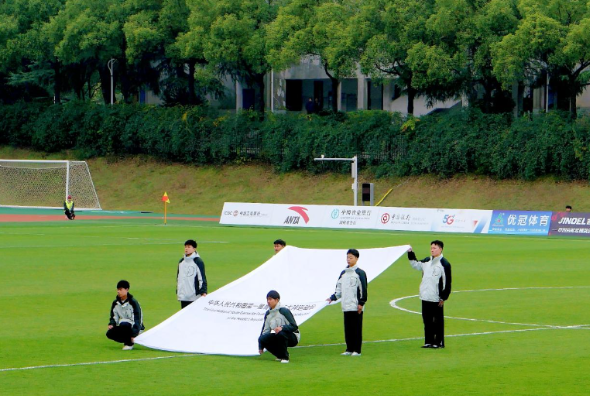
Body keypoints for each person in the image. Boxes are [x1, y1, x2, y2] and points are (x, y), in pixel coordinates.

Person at [407, 240, 452, 349]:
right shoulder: (427, 261)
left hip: (436, 298)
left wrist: (443, 297)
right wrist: (410, 253)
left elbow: (447, 282)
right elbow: (416, 265)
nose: (432, 249)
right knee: (427, 320)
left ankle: (438, 342)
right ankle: (429, 341)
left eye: (434, 248)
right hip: (425, 296)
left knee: (437, 321)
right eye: (431, 248)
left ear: (440, 249)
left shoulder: (444, 264)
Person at [327, 248, 367, 356]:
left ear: (356, 258)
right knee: (348, 328)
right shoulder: (343, 273)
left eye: (351, 257)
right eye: (347, 257)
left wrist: (361, 303)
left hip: (356, 305)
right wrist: (332, 298)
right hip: (346, 305)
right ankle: (349, 348)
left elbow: (363, 289)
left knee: (356, 329)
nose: (348, 260)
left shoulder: (360, 273)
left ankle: (357, 350)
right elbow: (338, 289)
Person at [258, 290, 300, 363]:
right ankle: (280, 355)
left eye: (270, 299)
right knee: (262, 338)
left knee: (281, 333)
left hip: (292, 337)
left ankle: (285, 357)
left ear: (277, 300)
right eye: (267, 299)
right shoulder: (268, 314)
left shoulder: (284, 311)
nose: (268, 301)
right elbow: (265, 330)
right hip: (279, 336)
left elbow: (294, 326)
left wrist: (282, 327)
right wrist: (261, 345)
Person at [106, 280, 144, 350]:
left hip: (134, 327)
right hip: (123, 326)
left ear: (127, 290)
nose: (118, 291)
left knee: (125, 324)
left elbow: (138, 319)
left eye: (120, 289)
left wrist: (134, 333)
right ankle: (129, 340)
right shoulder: (115, 303)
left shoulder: (133, 303)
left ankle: (129, 343)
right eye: (118, 289)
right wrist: (112, 323)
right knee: (109, 333)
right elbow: (114, 316)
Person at [177, 239, 207, 309]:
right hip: (183, 296)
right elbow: (179, 278)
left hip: (194, 296)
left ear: (194, 249)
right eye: (185, 247)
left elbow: (202, 277)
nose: (186, 249)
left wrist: (203, 291)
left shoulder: (198, 261)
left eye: (189, 247)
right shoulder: (181, 262)